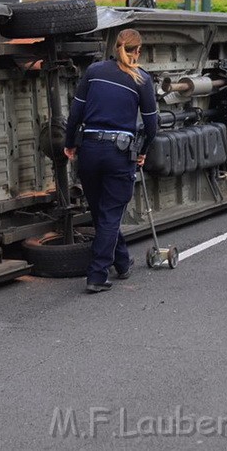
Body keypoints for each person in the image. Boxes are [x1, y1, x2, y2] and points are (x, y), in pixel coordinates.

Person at [64, 29, 159, 293]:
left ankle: (122, 262)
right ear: (137, 51)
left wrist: (69, 143)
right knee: (110, 215)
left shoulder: (94, 71)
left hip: (90, 150)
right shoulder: (142, 79)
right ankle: (96, 275)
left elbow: (75, 113)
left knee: (102, 213)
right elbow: (152, 125)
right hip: (119, 153)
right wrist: (143, 150)